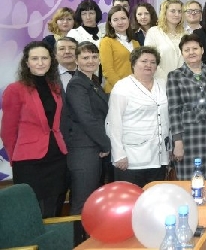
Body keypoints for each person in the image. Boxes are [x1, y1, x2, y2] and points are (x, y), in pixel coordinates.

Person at [1, 41, 68, 217]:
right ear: (27, 62)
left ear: (51, 61)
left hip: (57, 157)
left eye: (44, 58)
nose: (40, 63)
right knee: (33, 211)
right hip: (29, 162)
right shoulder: (15, 89)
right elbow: (8, 130)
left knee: (55, 207)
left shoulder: (55, 87)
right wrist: (15, 158)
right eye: (35, 58)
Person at [105, 47, 170, 187]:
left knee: (154, 196)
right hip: (131, 159)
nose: (148, 65)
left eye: (153, 62)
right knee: (131, 198)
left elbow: (167, 118)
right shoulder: (122, 87)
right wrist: (118, 154)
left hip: (158, 157)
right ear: (134, 63)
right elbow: (113, 122)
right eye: (144, 61)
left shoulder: (162, 84)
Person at [63, 41, 110, 214]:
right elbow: (87, 119)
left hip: (93, 147)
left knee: (93, 201)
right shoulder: (76, 84)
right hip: (83, 149)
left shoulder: (93, 82)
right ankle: (77, 233)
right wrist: (106, 144)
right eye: (85, 57)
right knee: (82, 203)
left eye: (94, 57)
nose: (90, 61)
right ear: (76, 60)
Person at [166, 34, 206, 180]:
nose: (191, 52)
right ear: (182, 53)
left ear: (202, 50)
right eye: (187, 50)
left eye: (195, 48)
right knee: (189, 181)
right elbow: (174, 110)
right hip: (188, 136)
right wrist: (177, 142)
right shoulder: (175, 76)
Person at [99, 5, 140, 93]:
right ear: (110, 23)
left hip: (135, 90)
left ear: (128, 20)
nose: (120, 22)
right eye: (115, 20)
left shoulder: (135, 43)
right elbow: (107, 71)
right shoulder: (106, 42)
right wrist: (123, 88)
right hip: (116, 91)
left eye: (123, 18)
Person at [144, 0, 185, 80]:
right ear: (164, 13)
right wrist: (167, 79)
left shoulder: (186, 34)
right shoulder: (153, 32)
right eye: (173, 11)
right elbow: (150, 59)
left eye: (179, 11)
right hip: (160, 80)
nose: (177, 14)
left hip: (183, 81)